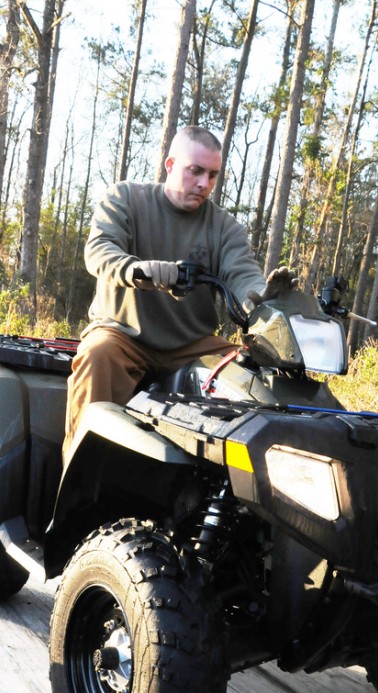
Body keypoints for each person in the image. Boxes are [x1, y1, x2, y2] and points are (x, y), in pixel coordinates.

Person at [63, 125, 297, 460]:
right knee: (96, 356)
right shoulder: (126, 198)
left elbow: (242, 273)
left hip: (192, 345)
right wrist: (137, 270)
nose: (205, 183)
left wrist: (264, 297)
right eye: (196, 171)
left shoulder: (224, 226)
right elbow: (100, 250)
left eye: (213, 175)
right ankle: (77, 481)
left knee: (253, 376)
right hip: (123, 336)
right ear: (170, 165)